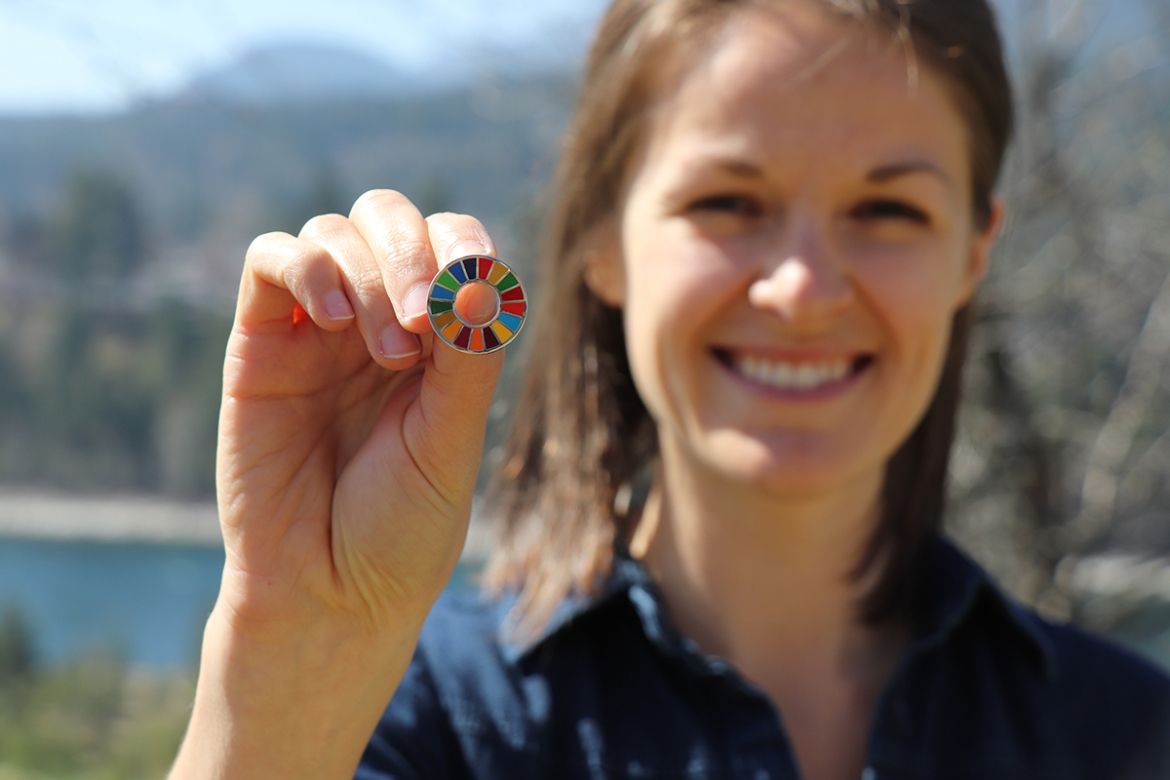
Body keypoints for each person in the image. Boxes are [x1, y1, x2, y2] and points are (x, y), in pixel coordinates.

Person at [169, 0, 1170, 777]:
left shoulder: (1127, 734)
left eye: (889, 209)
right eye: (729, 202)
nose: (803, 289)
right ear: (602, 238)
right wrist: (300, 641)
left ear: (972, 254)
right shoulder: (419, 721)